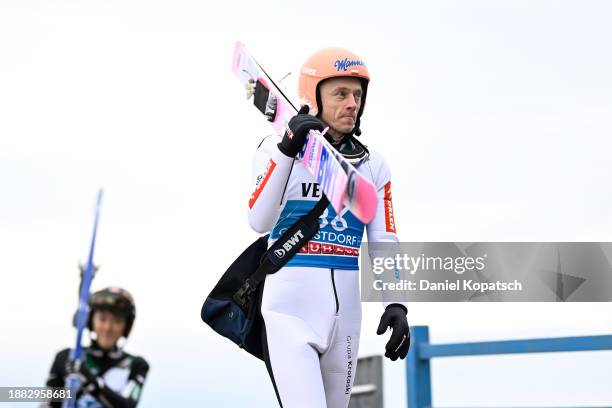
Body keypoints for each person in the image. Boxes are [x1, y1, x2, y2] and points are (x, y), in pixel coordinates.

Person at [248, 47, 410, 408]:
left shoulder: (373, 166)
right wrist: (287, 150)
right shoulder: (273, 150)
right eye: (340, 94)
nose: (352, 103)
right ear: (313, 96)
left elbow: (385, 240)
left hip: (346, 319)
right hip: (289, 313)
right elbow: (258, 219)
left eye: (357, 95)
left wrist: (396, 303)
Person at [45, 287, 149, 408]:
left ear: (126, 327)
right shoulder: (65, 358)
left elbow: (128, 405)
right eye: (102, 319)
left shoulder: (136, 365)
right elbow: (49, 404)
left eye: (117, 321)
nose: (108, 328)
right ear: (91, 321)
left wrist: (89, 379)